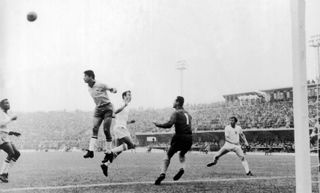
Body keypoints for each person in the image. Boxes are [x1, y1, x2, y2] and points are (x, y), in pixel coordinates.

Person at [153, 96, 193, 185]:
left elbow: (169, 124)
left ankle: (162, 174)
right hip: (189, 138)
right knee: (182, 154)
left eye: (174, 101)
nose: (173, 102)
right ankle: (182, 168)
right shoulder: (188, 114)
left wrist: (158, 124)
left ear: (178, 102)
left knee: (168, 155)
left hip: (180, 137)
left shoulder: (176, 113)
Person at [82, 70, 117, 160]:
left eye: (85, 76)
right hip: (98, 109)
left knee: (106, 130)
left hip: (107, 108)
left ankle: (109, 152)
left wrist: (113, 90)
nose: (83, 78)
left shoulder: (100, 84)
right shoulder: (89, 88)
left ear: (90, 77)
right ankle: (90, 151)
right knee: (95, 128)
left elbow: (110, 88)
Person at [100, 90, 136, 177]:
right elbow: (115, 111)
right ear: (123, 97)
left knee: (118, 151)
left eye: (130, 95)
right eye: (128, 95)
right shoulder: (122, 104)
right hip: (120, 128)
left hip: (122, 127)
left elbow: (118, 118)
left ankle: (105, 164)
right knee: (131, 145)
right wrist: (124, 105)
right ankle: (109, 152)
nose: (130, 96)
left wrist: (130, 122)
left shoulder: (127, 107)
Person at [0, 99, 21, 183]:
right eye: (6, 103)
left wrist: (12, 132)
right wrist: (11, 119)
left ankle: (4, 173)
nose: (8, 104)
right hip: (1, 137)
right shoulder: (0, 113)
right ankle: (2, 174)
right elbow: (1, 124)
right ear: (1, 105)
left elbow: (3, 127)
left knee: (17, 154)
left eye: (8, 102)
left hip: (5, 136)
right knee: (11, 153)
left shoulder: (5, 114)